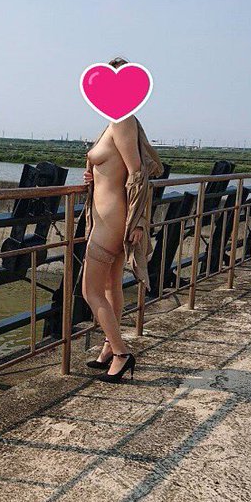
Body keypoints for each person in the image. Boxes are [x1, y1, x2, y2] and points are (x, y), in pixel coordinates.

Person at [80, 56, 163, 382]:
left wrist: (138, 221)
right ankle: (108, 348)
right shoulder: (114, 123)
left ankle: (122, 353)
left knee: (90, 291)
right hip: (106, 218)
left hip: (112, 221)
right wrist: (93, 175)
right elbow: (113, 169)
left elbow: (137, 173)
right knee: (111, 286)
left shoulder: (122, 122)